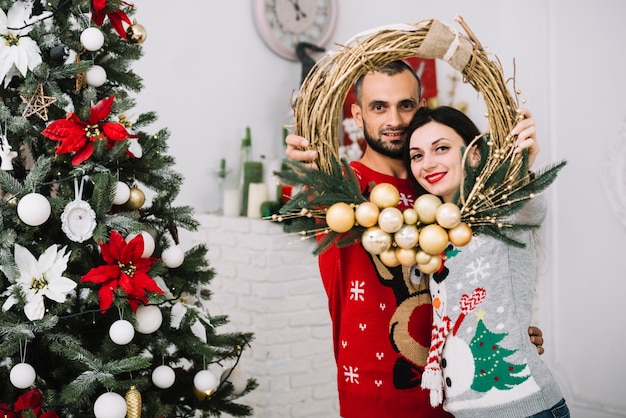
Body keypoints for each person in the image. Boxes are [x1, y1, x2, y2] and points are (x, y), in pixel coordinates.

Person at [285, 60, 544, 417]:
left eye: (405, 105)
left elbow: (490, 266)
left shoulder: (441, 184)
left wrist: (511, 327)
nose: (394, 120)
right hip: (374, 400)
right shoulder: (339, 185)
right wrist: (303, 166)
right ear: (358, 115)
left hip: (461, 398)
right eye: (379, 107)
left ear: (420, 107)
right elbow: (302, 191)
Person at [405, 105, 569, 417]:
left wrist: (520, 166)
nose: (428, 163)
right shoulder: (434, 236)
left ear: (475, 153)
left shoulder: (503, 210)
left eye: (441, 148)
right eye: (417, 155)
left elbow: (530, 209)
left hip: (524, 409)